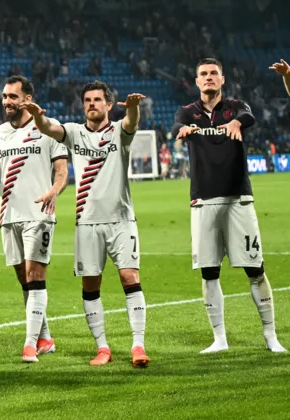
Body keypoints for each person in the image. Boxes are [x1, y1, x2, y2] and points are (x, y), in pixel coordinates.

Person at [22, 82, 150, 368]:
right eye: (88, 100)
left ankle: (138, 345)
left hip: (121, 220)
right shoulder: (75, 132)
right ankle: (102, 347)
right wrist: (39, 117)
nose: (92, 104)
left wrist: (133, 108)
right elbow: (48, 129)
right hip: (87, 223)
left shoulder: (119, 131)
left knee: (130, 278)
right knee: (91, 285)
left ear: (108, 105)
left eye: (97, 100)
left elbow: (131, 121)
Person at [174, 58, 285, 354]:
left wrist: (235, 122)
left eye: (213, 73)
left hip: (238, 199)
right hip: (203, 201)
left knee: (255, 270)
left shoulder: (236, 107)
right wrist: (183, 131)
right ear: (197, 81)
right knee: (209, 273)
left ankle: (271, 336)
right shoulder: (187, 112)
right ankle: (219, 339)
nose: (208, 78)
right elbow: (178, 125)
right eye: (203, 74)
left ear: (222, 79)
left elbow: (248, 117)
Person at [0, 76, 68, 362]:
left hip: (39, 213)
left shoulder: (48, 128)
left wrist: (54, 191)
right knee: (24, 279)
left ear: (28, 99)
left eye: (12, 97)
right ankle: (45, 336)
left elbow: (62, 172)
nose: (6, 101)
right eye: (4, 96)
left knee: (35, 275)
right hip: (9, 215)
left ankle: (30, 344)